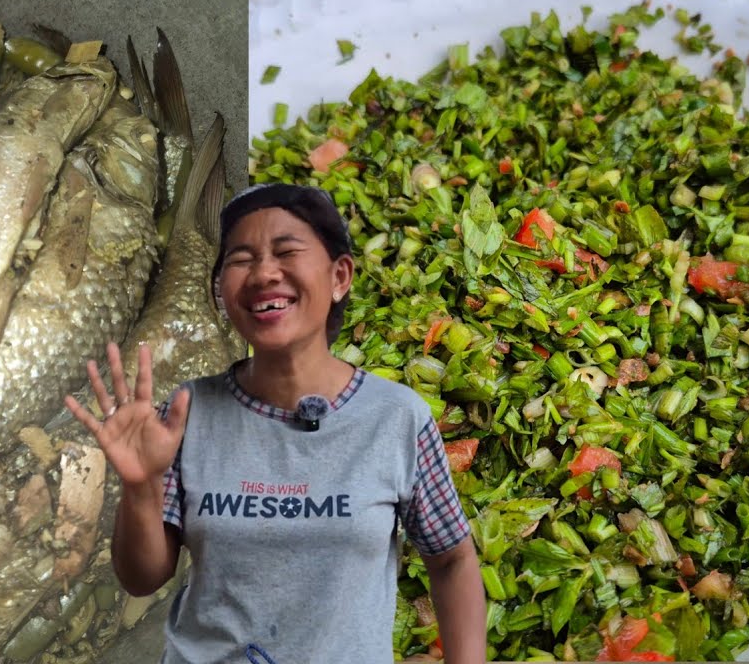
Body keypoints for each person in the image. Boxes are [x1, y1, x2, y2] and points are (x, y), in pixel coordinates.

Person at [65, 183, 486, 663]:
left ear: (339, 276)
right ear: (222, 290)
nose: (264, 272)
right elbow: (142, 577)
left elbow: (452, 559)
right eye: (241, 259)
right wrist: (140, 486)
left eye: (287, 251)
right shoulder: (188, 410)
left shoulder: (396, 418)